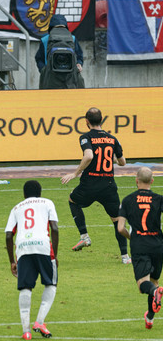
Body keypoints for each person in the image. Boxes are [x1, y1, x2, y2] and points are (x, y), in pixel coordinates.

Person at [61, 107, 130, 264]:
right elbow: (122, 162)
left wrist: (75, 173)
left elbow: (89, 155)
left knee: (73, 200)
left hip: (90, 184)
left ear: (86, 121)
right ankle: (125, 257)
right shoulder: (112, 139)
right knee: (117, 221)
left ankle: (84, 236)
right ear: (102, 120)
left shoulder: (86, 137)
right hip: (108, 185)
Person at [5, 180, 59, 340]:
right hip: (43, 246)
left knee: (25, 287)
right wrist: (54, 255)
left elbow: (8, 235)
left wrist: (12, 261)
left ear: (24, 194)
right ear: (40, 193)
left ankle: (26, 331)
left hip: (23, 248)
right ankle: (40, 322)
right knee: (51, 283)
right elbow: (54, 228)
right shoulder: (47, 203)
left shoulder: (16, 208)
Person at [118, 167, 163, 329]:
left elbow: (120, 228)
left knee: (143, 284)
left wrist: (133, 237)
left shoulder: (128, 200)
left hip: (140, 245)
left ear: (136, 180)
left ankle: (154, 293)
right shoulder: (159, 199)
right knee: (154, 281)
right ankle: (150, 318)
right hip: (158, 244)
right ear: (152, 181)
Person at [35, 14, 85, 89]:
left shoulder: (44, 39)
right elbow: (79, 56)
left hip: (50, 78)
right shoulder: (72, 38)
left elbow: (39, 59)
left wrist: (43, 70)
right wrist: (79, 64)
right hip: (70, 77)